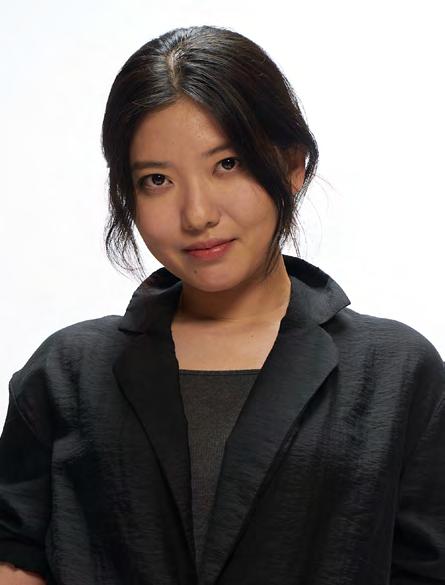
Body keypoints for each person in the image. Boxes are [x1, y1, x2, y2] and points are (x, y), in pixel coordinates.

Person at [0, 24, 444, 585]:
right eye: (157, 179)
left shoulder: (397, 371)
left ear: (292, 165)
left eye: (227, 164)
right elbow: (14, 555)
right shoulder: (67, 371)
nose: (197, 214)